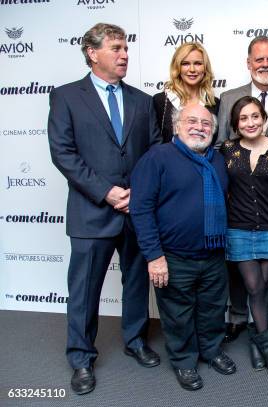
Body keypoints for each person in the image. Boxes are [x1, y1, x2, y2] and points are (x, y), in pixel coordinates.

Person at [47, 23, 161, 395]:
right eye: (116, 48)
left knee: (136, 283)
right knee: (84, 290)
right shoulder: (66, 97)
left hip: (135, 212)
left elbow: (154, 153)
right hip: (92, 211)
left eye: (126, 47)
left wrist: (138, 195)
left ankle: (135, 341)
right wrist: (107, 192)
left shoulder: (144, 101)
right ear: (93, 53)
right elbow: (63, 153)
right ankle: (81, 357)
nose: (125, 54)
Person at [130, 103, 236, 391]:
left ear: (213, 130)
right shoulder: (157, 158)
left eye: (205, 123)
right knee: (178, 315)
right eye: (191, 121)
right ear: (176, 126)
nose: (199, 127)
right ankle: (184, 362)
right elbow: (141, 210)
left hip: (213, 253)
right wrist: (154, 257)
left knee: (212, 309)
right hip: (173, 256)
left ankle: (212, 351)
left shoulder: (217, 159)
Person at [216, 35, 268, 345]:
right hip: (238, 196)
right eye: (259, 59)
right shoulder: (228, 97)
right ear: (248, 62)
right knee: (238, 264)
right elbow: (219, 146)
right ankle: (238, 317)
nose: (265, 65)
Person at [220, 96, 268, 376]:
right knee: (254, 287)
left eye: (255, 116)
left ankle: (255, 340)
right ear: (236, 125)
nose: (250, 123)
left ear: (264, 119)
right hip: (238, 229)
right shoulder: (226, 150)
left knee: (263, 288)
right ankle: (267, 347)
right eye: (243, 119)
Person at [153, 42, 219, 143]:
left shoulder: (215, 104)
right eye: (185, 63)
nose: (192, 69)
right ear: (177, 68)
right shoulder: (160, 101)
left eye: (198, 63)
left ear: (205, 68)